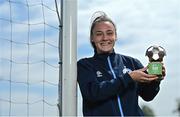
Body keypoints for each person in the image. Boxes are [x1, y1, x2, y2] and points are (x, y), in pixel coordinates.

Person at [77, 11, 166, 116]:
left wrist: (156, 80)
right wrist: (128, 78)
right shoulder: (84, 65)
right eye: (99, 34)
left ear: (116, 36)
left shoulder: (132, 63)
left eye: (109, 33)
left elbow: (147, 96)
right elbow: (93, 93)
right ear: (92, 38)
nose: (105, 38)